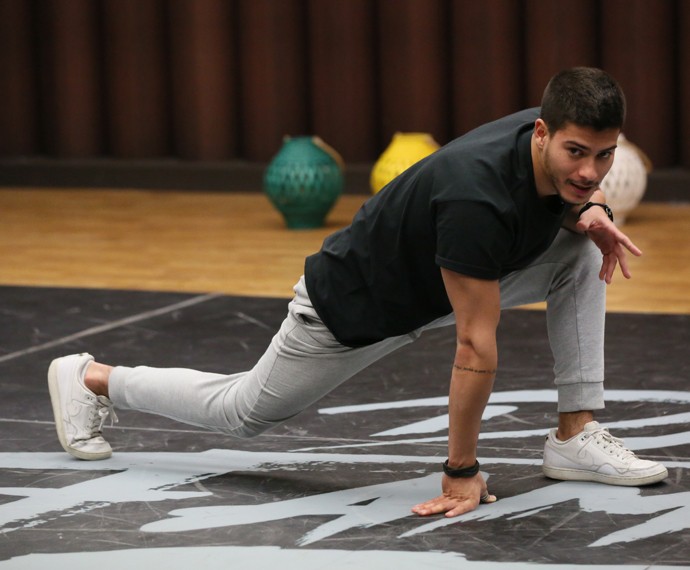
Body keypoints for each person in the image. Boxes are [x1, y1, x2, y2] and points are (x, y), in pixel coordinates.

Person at [47, 67, 668, 519]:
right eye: (576, 153)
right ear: (540, 132)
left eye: (604, 155)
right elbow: (476, 345)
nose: (589, 170)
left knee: (591, 246)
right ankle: (91, 378)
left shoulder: (558, 144)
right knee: (243, 412)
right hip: (352, 307)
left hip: (437, 280)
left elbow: (580, 194)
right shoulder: (476, 193)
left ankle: (574, 436)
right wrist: (460, 473)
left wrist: (593, 210)